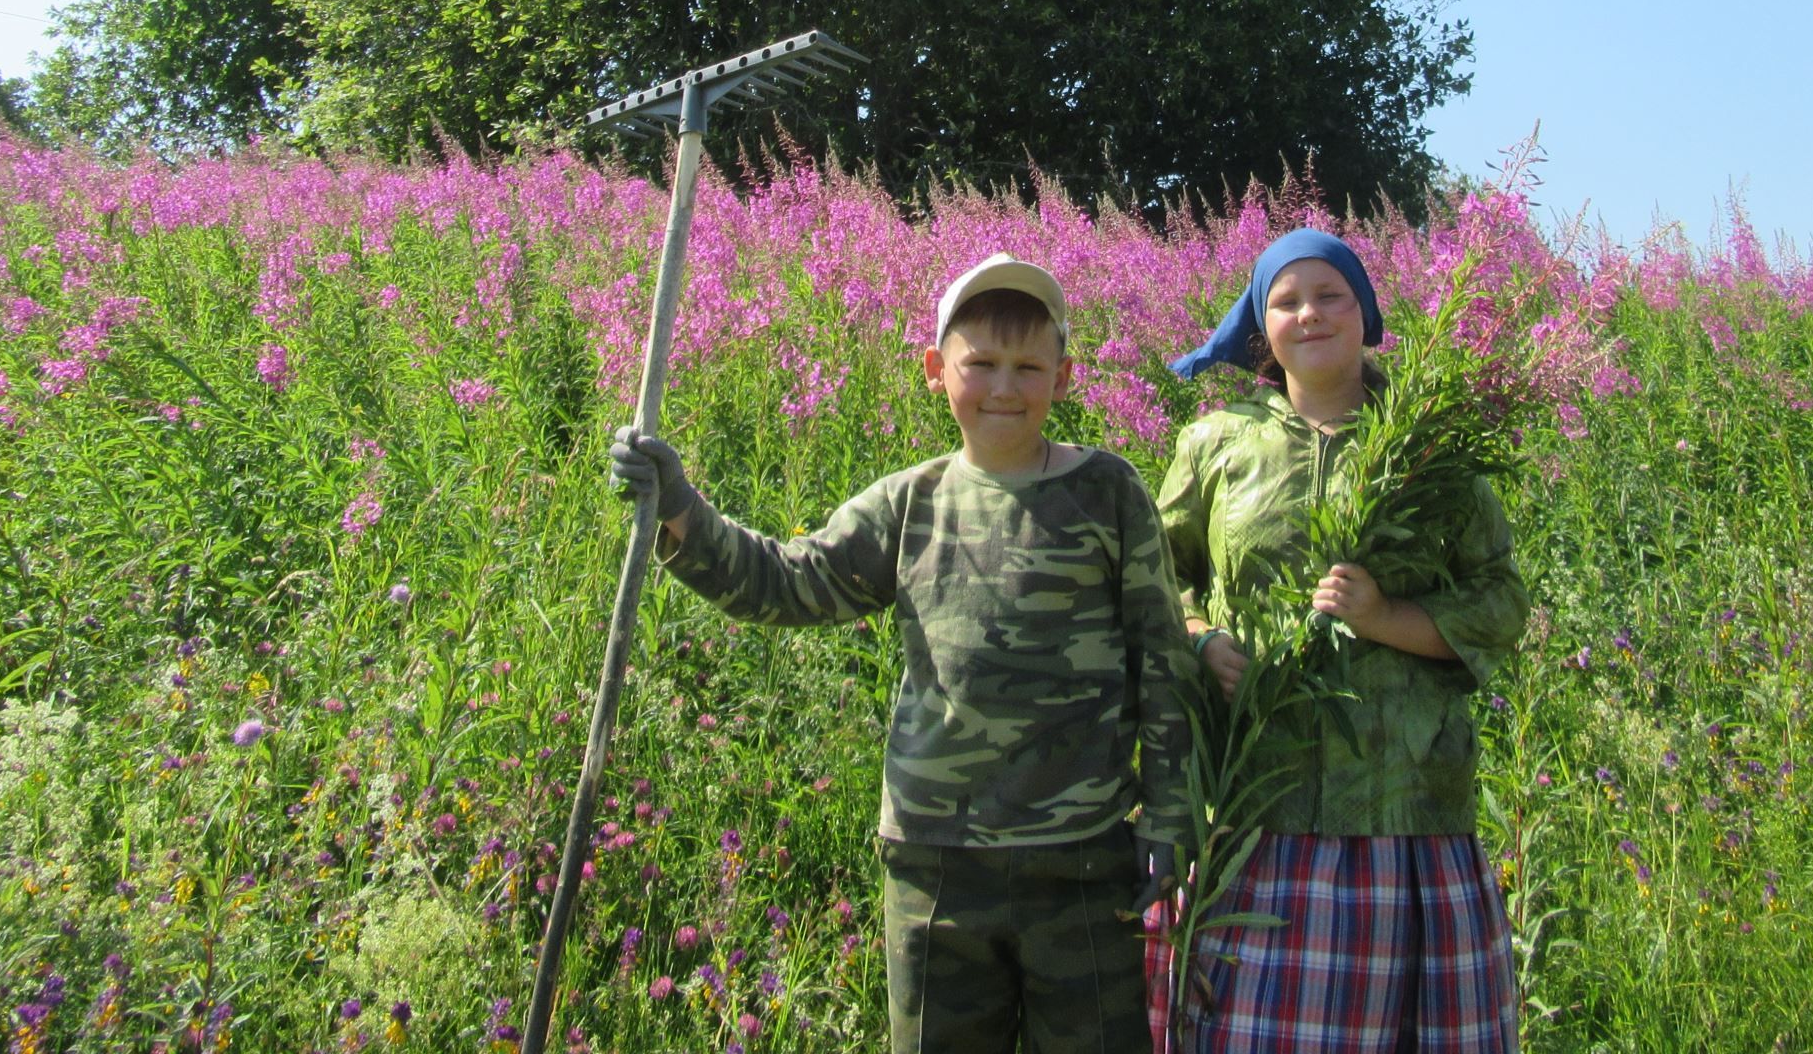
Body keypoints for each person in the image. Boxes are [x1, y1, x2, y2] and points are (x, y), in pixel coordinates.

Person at [611, 253, 1191, 1054]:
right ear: (934, 370)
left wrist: (1168, 814)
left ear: (1063, 379)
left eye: (1028, 368)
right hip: (935, 864)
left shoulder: (1108, 493)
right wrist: (680, 508)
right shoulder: (910, 503)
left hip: (1083, 861)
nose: (1004, 387)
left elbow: (1163, 658)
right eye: (980, 364)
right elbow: (789, 582)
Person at [1150, 228, 1527, 1054]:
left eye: (1331, 296)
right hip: (1255, 806)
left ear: (1366, 315)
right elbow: (1152, 580)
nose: (1310, 314)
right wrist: (1202, 640)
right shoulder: (1217, 444)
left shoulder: (1433, 448)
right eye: (1286, 301)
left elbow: (1501, 599)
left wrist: (1386, 618)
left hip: (1405, 810)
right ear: (1260, 326)